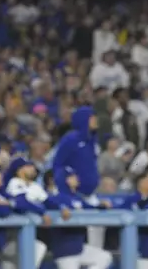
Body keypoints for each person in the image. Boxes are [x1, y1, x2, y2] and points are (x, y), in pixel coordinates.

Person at [52, 106, 105, 247]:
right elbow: (57, 164)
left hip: (91, 195)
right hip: (75, 196)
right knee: (76, 238)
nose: (95, 120)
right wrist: (67, 176)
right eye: (92, 117)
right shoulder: (70, 139)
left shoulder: (92, 140)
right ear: (84, 120)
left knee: (97, 236)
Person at [43, 168, 113, 269]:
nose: (76, 178)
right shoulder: (58, 197)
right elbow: (47, 202)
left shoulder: (77, 197)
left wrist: (102, 206)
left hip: (79, 247)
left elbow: (90, 208)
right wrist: (61, 208)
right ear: (65, 179)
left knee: (104, 257)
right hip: (65, 250)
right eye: (72, 176)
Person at [2, 157, 49, 269]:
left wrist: (62, 207)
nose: (33, 169)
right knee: (37, 247)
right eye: (28, 166)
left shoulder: (35, 186)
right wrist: (41, 211)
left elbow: (48, 201)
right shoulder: (13, 183)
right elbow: (22, 203)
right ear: (19, 170)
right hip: (8, 237)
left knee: (39, 247)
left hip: (22, 236)